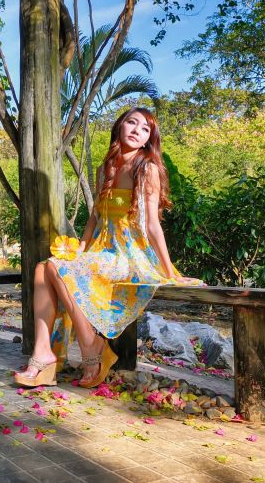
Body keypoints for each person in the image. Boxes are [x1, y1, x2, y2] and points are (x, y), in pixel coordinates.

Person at [14, 107, 202, 388]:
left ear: (149, 139)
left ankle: (89, 345)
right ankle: (44, 353)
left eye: (145, 128)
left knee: (53, 267)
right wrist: (82, 248)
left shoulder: (145, 168)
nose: (137, 130)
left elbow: (152, 225)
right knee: (43, 268)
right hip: (102, 249)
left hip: (128, 254)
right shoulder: (106, 168)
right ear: (119, 127)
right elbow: (95, 217)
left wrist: (169, 269)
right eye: (131, 122)